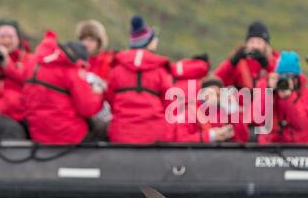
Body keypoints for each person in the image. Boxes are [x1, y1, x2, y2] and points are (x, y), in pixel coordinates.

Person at [22, 31, 104, 144]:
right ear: (79, 61)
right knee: (104, 129)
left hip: (38, 134)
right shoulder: (72, 72)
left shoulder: (34, 64)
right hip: (67, 136)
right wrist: (97, 93)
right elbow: (88, 109)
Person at [106, 15, 173, 144]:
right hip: (154, 135)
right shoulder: (160, 70)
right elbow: (169, 102)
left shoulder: (117, 68)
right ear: (148, 42)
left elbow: (110, 98)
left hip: (121, 133)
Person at [257, 51, 308, 144]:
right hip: (273, 146)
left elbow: (301, 124)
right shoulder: (268, 90)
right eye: (282, 76)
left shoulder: (305, 93)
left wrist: (289, 98)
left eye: (290, 76)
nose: (286, 80)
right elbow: (258, 119)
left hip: (301, 145)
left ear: (297, 78)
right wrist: (268, 90)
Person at [171, 76, 249, 143]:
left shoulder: (225, 113)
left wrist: (233, 110)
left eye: (217, 95)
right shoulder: (189, 114)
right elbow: (181, 139)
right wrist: (211, 135)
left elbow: (243, 139)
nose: (214, 97)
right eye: (210, 93)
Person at [215, 21, 279, 90]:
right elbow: (217, 80)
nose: (255, 46)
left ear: (266, 45)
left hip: (268, 99)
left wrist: (267, 65)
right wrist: (232, 63)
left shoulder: (275, 60)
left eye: (259, 42)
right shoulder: (240, 61)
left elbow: (281, 80)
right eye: (252, 42)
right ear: (247, 43)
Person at [0, 19, 33, 125]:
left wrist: (6, 62)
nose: (6, 41)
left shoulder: (29, 59)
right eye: (2, 37)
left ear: (18, 39)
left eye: (10, 37)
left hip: (20, 117)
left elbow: (26, 80)